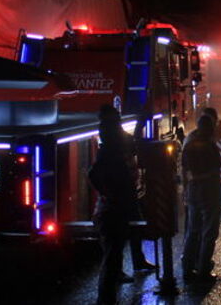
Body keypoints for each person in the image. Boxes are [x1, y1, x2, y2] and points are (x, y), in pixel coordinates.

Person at [88, 105, 139, 305]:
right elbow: (93, 174)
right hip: (113, 212)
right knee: (111, 257)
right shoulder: (110, 154)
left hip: (113, 209)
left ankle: (108, 299)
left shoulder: (109, 149)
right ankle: (105, 300)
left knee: (114, 256)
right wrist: (109, 195)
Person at [181, 114, 221, 283]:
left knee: (192, 231)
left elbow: (184, 170)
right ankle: (203, 270)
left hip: (192, 191)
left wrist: (185, 191)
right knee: (209, 232)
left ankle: (187, 269)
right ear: (209, 128)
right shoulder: (210, 146)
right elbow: (215, 170)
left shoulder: (189, 145)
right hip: (208, 191)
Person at [120, 120, 155, 275]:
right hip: (124, 194)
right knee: (128, 230)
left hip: (126, 193)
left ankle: (136, 262)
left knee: (132, 229)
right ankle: (126, 267)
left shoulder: (115, 143)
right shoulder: (120, 150)